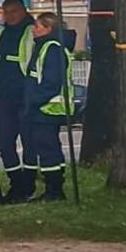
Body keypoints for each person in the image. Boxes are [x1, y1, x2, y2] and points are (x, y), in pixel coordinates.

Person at [0, 0, 36, 202]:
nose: (10, 16)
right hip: (5, 96)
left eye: (14, 11)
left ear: (23, 10)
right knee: (5, 143)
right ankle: (16, 184)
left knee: (30, 143)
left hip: (26, 96)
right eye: (6, 12)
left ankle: (29, 184)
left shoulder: (32, 32)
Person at [23, 12, 75, 202]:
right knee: (49, 148)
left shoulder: (52, 49)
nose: (34, 30)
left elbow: (51, 82)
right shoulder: (45, 47)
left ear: (48, 28)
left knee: (47, 150)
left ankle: (54, 191)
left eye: (38, 26)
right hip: (43, 107)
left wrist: (34, 100)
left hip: (47, 108)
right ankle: (53, 189)